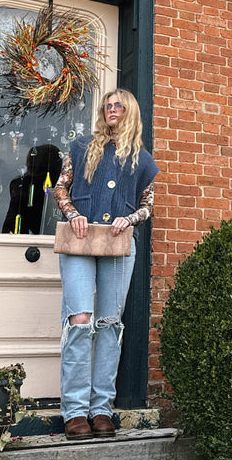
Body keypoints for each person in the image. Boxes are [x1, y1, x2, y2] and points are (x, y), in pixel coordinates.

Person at [54, 89, 159, 441]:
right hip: (80, 241)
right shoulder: (81, 147)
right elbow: (60, 189)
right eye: (108, 105)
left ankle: (101, 408)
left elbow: (148, 205)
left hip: (118, 244)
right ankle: (74, 411)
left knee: (111, 324)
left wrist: (130, 219)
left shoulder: (142, 160)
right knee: (81, 320)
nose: (112, 109)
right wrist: (72, 215)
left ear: (130, 112)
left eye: (119, 105)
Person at [2, 144, 62, 234]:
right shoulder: (58, 187)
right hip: (47, 236)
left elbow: (11, 219)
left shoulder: (19, 184)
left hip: (20, 235)